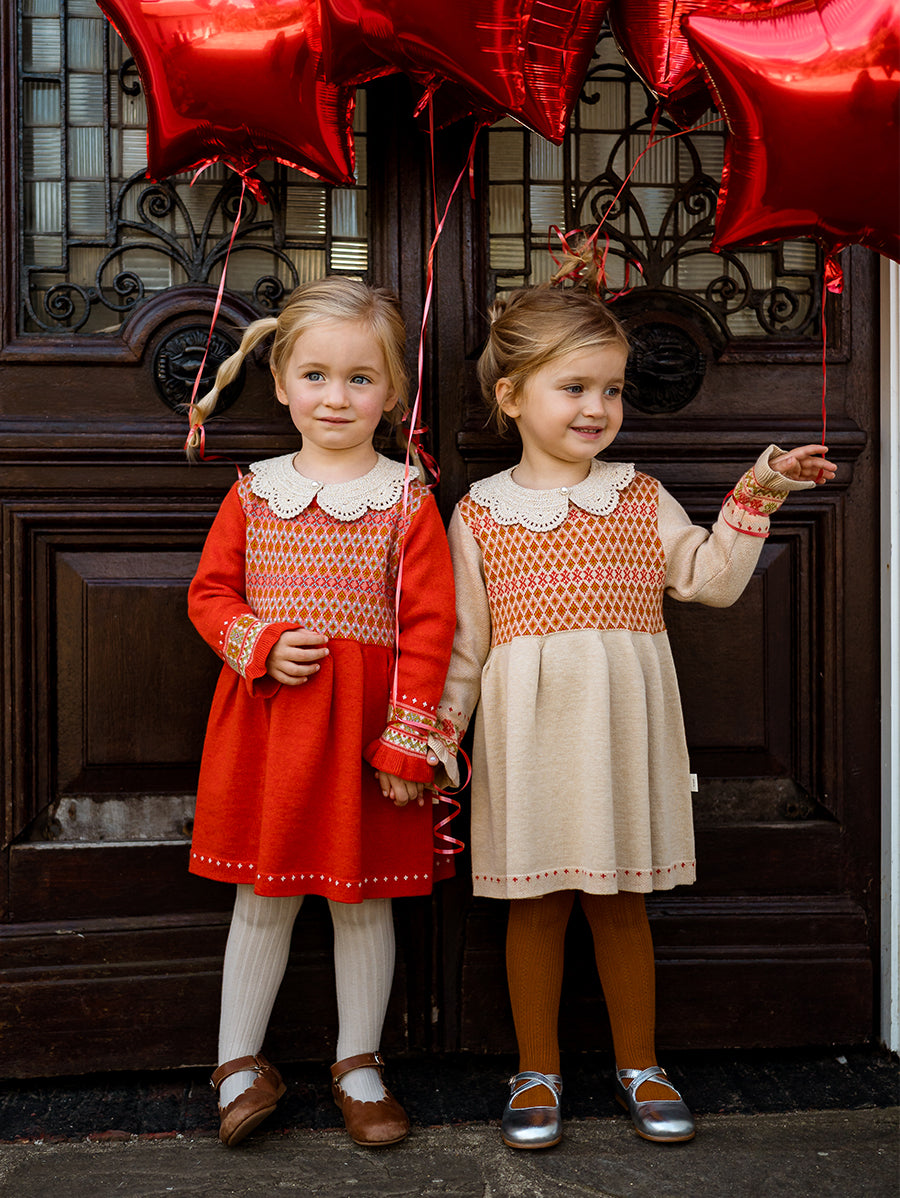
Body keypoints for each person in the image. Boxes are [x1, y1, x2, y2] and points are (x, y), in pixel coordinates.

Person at [428, 267, 836, 1150]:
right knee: (536, 904)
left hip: (621, 733)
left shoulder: (640, 496)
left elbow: (711, 581)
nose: (597, 407)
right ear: (512, 396)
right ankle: (536, 1069)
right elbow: (464, 646)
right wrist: (433, 740)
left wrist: (760, 489)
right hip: (528, 741)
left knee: (621, 902)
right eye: (574, 387)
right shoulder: (480, 513)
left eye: (611, 389)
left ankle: (641, 1063)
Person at [186, 277, 456, 1149]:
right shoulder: (253, 492)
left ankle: (359, 1065)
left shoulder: (407, 498)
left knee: (362, 900)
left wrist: (408, 742)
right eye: (315, 376)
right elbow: (210, 595)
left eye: (360, 379)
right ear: (280, 384)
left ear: (393, 393)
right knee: (261, 896)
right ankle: (237, 1065)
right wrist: (259, 644)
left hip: (365, 737)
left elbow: (431, 626)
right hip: (270, 729)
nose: (336, 397)